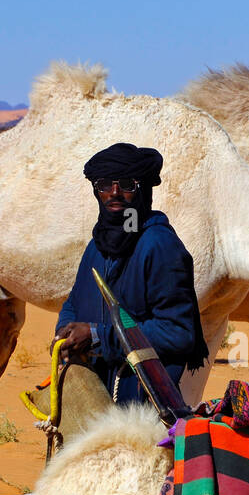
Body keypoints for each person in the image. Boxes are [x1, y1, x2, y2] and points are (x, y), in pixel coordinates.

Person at [52, 142, 209, 405]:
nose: (114, 193)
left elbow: (177, 333)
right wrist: (64, 333)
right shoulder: (98, 244)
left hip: (143, 404)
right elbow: (75, 302)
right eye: (104, 185)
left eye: (126, 184)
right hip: (92, 399)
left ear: (142, 190)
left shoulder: (160, 245)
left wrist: (98, 336)